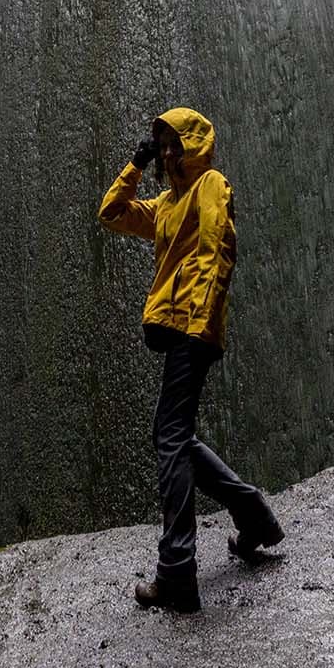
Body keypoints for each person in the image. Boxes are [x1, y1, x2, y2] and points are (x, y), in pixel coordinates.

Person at [97, 107, 284, 613]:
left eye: (173, 142)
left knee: (170, 437)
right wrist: (133, 165)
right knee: (175, 434)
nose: (166, 152)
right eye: (160, 144)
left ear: (194, 144)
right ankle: (257, 520)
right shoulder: (164, 204)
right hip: (176, 324)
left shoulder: (210, 185)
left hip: (193, 325)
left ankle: (177, 572)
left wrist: (201, 319)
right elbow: (111, 214)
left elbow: (216, 248)